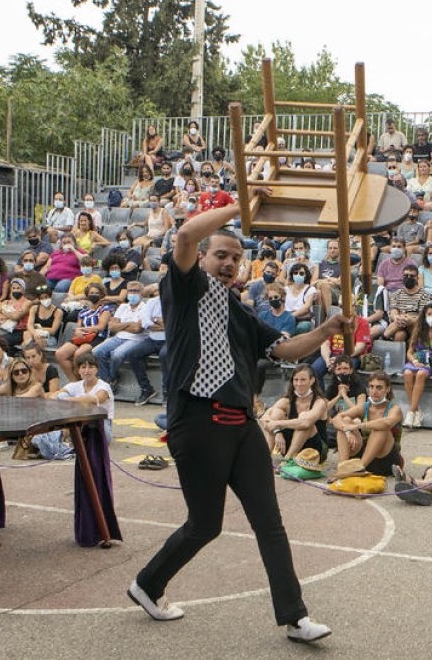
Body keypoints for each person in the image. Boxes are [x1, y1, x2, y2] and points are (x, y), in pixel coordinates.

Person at [129, 196, 346, 642]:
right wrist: (243, 207)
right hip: (197, 420)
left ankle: (295, 617)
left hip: (243, 425)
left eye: (236, 258)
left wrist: (325, 331)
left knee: (269, 521)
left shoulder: (244, 311)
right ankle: (148, 585)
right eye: (220, 255)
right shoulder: (184, 289)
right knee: (205, 525)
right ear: (203, 258)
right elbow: (186, 234)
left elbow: (284, 350)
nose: (228, 263)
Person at [329, 371, 403, 477]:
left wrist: (357, 426)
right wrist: (347, 430)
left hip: (386, 459)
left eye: (379, 387)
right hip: (365, 457)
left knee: (380, 428)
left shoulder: (395, 409)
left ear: (387, 389)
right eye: (371, 387)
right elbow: (337, 418)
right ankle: (342, 469)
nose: (374, 391)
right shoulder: (365, 406)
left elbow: (387, 423)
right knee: (345, 421)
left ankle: (358, 469)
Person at [92, 280, 154, 400]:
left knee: (117, 354)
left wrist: (122, 325)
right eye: (130, 291)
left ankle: (109, 379)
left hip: (136, 339)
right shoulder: (123, 306)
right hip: (118, 337)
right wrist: (130, 323)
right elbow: (112, 327)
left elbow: (137, 329)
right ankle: (109, 380)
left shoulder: (145, 308)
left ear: (141, 293)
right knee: (96, 352)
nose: (132, 293)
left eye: (136, 291)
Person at [260, 365, 329, 461]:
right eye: (296, 380)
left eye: (303, 380)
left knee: (304, 418)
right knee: (276, 413)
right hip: (291, 446)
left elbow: (306, 423)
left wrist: (278, 423)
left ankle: (288, 460)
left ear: (312, 381)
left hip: (315, 451)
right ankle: (265, 458)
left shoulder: (320, 402)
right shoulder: (287, 401)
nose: (299, 384)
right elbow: (265, 418)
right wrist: (277, 432)